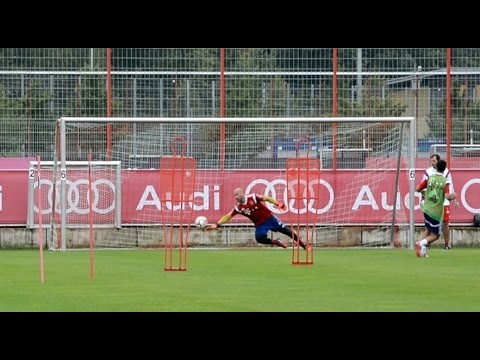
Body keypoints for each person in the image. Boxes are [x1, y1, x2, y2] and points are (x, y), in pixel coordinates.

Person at [207, 187, 311, 251]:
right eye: (234, 195)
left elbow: (266, 198)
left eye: (237, 194)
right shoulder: (238, 208)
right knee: (259, 238)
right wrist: (217, 224)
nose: (236, 197)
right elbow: (227, 216)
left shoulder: (252, 197)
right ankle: (276, 242)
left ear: (242, 193)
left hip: (270, 219)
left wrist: (277, 203)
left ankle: (303, 246)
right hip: (260, 225)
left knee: (288, 232)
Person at [415, 159, 457, 258]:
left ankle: (423, 252)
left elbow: (417, 188)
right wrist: (453, 196)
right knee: (436, 235)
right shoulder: (445, 182)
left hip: (426, 208)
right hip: (435, 211)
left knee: (428, 229)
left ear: (436, 167)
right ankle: (420, 243)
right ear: (445, 169)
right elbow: (447, 196)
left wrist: (426, 194)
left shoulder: (430, 178)